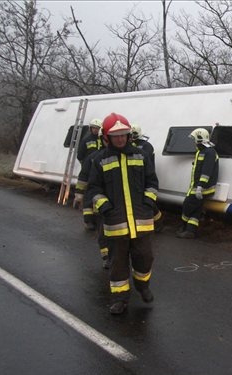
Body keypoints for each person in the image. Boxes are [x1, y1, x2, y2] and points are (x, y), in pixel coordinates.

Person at [87, 112, 159, 315]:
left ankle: (143, 286)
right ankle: (120, 299)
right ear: (107, 137)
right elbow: (93, 189)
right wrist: (105, 207)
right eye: (116, 135)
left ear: (128, 135)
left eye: (123, 134)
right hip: (115, 223)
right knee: (117, 264)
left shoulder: (141, 155)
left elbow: (152, 183)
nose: (120, 138)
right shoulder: (99, 160)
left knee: (145, 258)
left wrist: (147, 202)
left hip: (141, 221)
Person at [74, 133, 111, 269]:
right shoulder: (94, 157)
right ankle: (107, 257)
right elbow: (84, 176)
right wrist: (79, 193)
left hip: (117, 204)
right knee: (103, 232)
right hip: (99, 199)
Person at [176, 128, 219, 239]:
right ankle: (190, 231)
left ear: (200, 139)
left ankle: (184, 226)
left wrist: (200, 186)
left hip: (202, 188)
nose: (194, 142)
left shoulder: (209, 152)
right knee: (196, 209)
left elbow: (206, 171)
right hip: (197, 187)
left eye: (195, 139)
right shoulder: (202, 151)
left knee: (188, 205)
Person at [131, 123, 164, 232]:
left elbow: (144, 162)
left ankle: (158, 223)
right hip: (136, 178)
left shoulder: (146, 146)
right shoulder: (133, 145)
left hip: (144, 178)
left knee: (149, 203)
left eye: (133, 134)